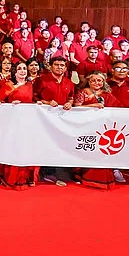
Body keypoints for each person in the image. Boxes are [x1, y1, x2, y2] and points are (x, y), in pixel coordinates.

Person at [72, 72, 121, 189]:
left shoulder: (108, 95)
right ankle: (82, 175)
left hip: (103, 128)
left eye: (99, 80)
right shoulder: (83, 93)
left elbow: (117, 109)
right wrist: (93, 106)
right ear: (88, 81)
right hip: (86, 127)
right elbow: (76, 107)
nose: (96, 83)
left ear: (103, 82)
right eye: (93, 80)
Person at [0, 62, 38, 189]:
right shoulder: (7, 86)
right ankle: (11, 177)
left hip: (27, 123)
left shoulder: (30, 85)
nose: (22, 71)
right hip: (11, 123)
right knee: (14, 148)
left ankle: (26, 177)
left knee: (26, 148)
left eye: (24, 68)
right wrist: (11, 104)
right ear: (14, 72)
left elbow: (34, 100)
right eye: (19, 69)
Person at [33, 56, 74, 187]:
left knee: (59, 144)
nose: (59, 67)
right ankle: (45, 172)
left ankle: (54, 172)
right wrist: (47, 102)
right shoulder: (41, 80)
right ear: (50, 66)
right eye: (56, 65)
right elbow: (34, 97)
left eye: (62, 65)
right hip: (44, 119)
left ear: (66, 68)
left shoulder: (69, 82)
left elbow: (71, 97)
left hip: (62, 120)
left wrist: (69, 103)